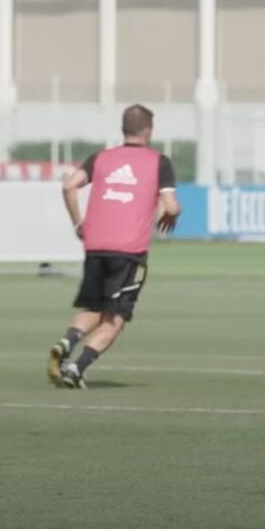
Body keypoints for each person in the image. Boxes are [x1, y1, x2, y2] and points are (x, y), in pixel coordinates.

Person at [46, 104, 180, 389]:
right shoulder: (159, 162)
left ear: (123, 129)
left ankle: (67, 341)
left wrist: (78, 223)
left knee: (94, 307)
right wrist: (172, 213)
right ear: (149, 130)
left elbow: (69, 186)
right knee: (116, 319)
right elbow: (170, 205)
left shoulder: (100, 158)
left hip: (95, 246)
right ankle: (76, 369)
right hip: (129, 251)